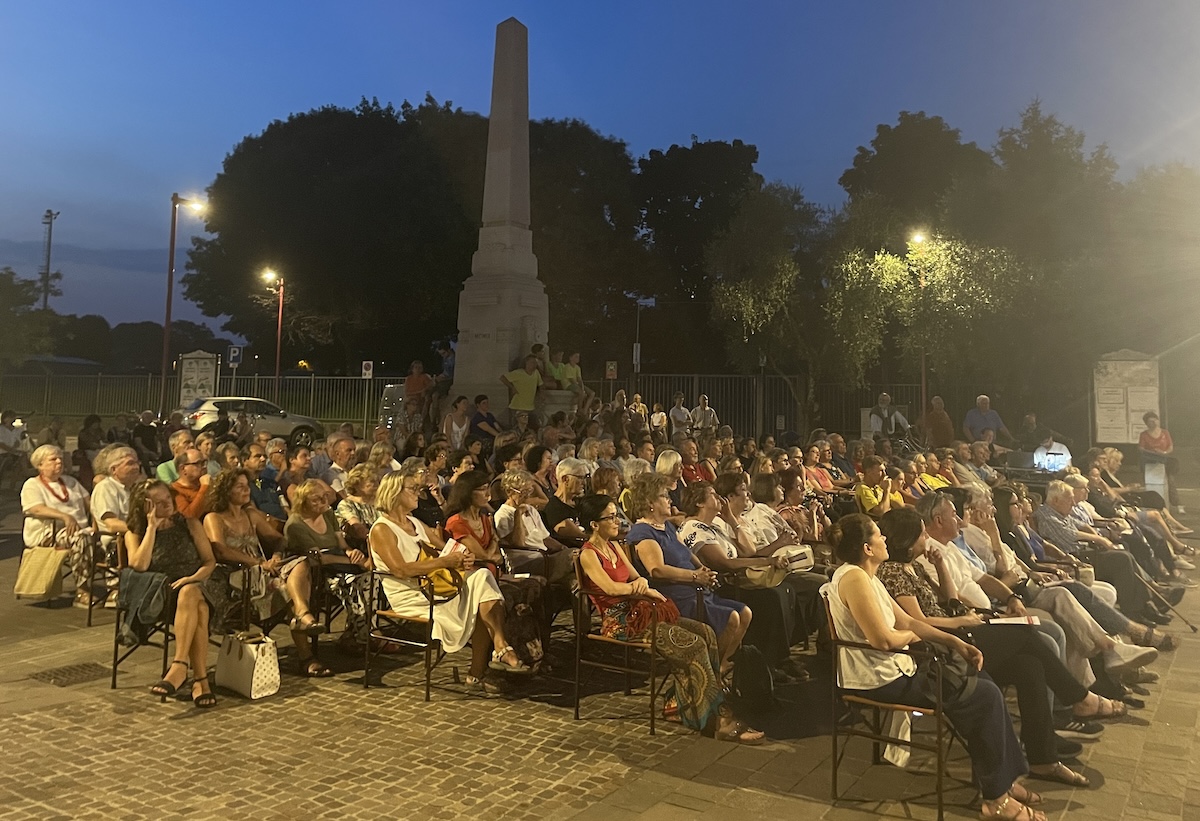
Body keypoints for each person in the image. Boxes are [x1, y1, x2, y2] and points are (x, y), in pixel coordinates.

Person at [824, 513, 1041, 820]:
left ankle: (1001, 781)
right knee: (984, 697)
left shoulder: (868, 576)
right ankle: (996, 798)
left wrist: (957, 644)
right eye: (878, 536)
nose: (884, 539)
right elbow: (884, 640)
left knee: (983, 683)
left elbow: (909, 621)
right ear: (867, 548)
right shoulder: (854, 578)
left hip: (898, 667)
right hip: (878, 678)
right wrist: (916, 636)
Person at [876, 508, 1104, 787]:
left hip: (959, 628)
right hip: (941, 645)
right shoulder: (893, 571)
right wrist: (963, 620)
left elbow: (949, 602)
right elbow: (917, 622)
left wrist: (941, 567)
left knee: (1029, 667)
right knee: (1026, 634)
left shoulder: (915, 566)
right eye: (921, 533)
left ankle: (1043, 758)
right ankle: (1080, 698)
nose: (926, 537)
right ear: (908, 538)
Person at [575, 493, 764, 743]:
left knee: (705, 634)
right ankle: (719, 720)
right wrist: (637, 589)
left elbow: (636, 577)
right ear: (594, 525)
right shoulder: (588, 554)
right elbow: (610, 589)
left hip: (641, 609)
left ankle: (681, 703)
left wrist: (640, 584)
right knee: (693, 645)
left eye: (615, 515)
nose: (617, 521)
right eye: (610, 517)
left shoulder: (614, 547)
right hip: (621, 622)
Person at [370, 472, 530, 694]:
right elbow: (400, 569)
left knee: (482, 578)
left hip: (438, 585)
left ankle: (500, 647)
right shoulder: (382, 529)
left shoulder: (415, 522)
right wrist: (445, 561)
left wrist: (464, 556)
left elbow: (447, 547)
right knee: (482, 595)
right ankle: (485, 664)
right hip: (412, 594)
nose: (419, 493)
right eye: (412, 489)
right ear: (394, 493)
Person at [625, 473, 750, 675]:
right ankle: (709, 673)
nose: (669, 500)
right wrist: (694, 576)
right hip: (673, 598)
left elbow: (688, 554)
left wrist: (704, 570)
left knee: (745, 613)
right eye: (664, 496)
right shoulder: (643, 533)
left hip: (696, 591)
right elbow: (657, 570)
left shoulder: (666, 527)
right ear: (650, 503)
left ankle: (719, 666)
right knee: (731, 618)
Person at [677, 478, 800, 678]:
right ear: (699, 503)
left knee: (784, 591)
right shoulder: (694, 528)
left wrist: (732, 521)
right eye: (713, 495)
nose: (720, 498)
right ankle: (762, 664)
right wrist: (768, 561)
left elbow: (748, 552)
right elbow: (724, 563)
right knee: (771, 599)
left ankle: (773, 660)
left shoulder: (713, 527)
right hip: (716, 587)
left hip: (735, 581)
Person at [124, 478, 218, 708]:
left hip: (205, 584)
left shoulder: (190, 523)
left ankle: (179, 665)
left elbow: (209, 562)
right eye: (158, 502)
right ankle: (201, 682)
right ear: (144, 506)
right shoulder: (135, 532)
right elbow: (139, 565)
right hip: (164, 596)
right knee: (199, 609)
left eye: (168, 498)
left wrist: (192, 578)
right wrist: (152, 528)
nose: (167, 504)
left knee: (191, 593)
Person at [281, 480, 371, 671]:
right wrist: (355, 562)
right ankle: (361, 635)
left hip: (339, 561)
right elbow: (318, 558)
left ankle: (357, 633)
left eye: (325, 497)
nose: (324, 502)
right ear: (303, 502)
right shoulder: (295, 525)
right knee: (354, 583)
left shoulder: (328, 514)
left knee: (372, 580)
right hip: (318, 571)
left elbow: (340, 543)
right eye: (316, 500)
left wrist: (350, 552)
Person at [202, 468, 287, 635]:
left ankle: (303, 622)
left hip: (260, 572)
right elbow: (221, 551)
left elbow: (279, 539)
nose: (246, 490)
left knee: (299, 571)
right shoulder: (214, 518)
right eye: (239, 486)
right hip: (234, 575)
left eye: (246, 485)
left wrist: (276, 556)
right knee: (288, 587)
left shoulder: (250, 515)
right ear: (226, 491)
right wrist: (258, 563)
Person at [21, 444, 95, 606]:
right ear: (40, 465)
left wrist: (99, 521)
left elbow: (90, 503)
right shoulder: (32, 485)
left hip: (82, 529)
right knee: (80, 539)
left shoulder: (71, 482)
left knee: (111, 536)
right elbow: (36, 509)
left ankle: (116, 587)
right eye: (53, 459)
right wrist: (64, 516)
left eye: (60, 458)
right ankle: (82, 590)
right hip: (50, 532)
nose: (59, 462)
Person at [494, 469, 573, 588]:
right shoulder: (502, 515)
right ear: (510, 492)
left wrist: (563, 548)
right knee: (578, 557)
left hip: (545, 559)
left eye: (529, 490)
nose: (528, 496)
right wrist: (518, 515)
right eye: (523, 492)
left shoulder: (530, 509)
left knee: (576, 580)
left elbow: (546, 539)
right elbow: (518, 543)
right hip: (525, 562)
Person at [91, 445, 142, 598]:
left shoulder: (136, 487)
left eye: (137, 463)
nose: (136, 467)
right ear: (114, 469)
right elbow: (111, 524)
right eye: (130, 463)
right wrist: (142, 529)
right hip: (115, 540)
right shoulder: (106, 488)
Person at [443, 470, 504, 575]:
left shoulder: (485, 519)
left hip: (493, 574)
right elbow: (484, 557)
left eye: (488, 488)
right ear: (468, 493)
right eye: (483, 489)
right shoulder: (456, 523)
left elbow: (499, 558)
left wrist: (491, 557)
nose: (488, 494)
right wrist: (494, 541)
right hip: (471, 575)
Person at [1138, 411, 1183, 514]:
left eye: (1155, 420)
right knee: (1150, 483)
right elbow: (1141, 448)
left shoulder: (1165, 433)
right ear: (1146, 423)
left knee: (1170, 482)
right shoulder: (1144, 434)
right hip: (1150, 461)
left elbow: (1170, 446)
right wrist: (1153, 452)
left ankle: (1177, 503)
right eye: (1150, 421)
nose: (1153, 423)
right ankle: (1152, 504)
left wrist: (1164, 452)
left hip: (1164, 460)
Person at [542, 457, 590, 545]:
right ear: (565, 479)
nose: (584, 482)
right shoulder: (554, 508)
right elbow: (579, 536)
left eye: (586, 477)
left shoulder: (582, 502)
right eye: (580, 477)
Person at [335, 464, 381, 550]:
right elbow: (358, 529)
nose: (377, 484)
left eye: (377, 480)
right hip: (362, 546)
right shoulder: (346, 504)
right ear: (357, 484)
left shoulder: (381, 502)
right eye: (372, 481)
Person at [500, 355, 544, 425]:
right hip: (518, 406)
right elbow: (503, 378)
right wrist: (512, 387)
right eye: (532, 362)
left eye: (536, 363)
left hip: (530, 406)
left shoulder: (536, 373)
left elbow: (540, 384)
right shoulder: (518, 373)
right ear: (527, 363)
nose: (535, 365)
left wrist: (542, 394)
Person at [170, 448, 210, 519]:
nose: (204, 466)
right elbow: (188, 516)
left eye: (204, 462)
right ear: (183, 468)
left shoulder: (208, 484)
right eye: (198, 463)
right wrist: (204, 488)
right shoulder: (174, 490)